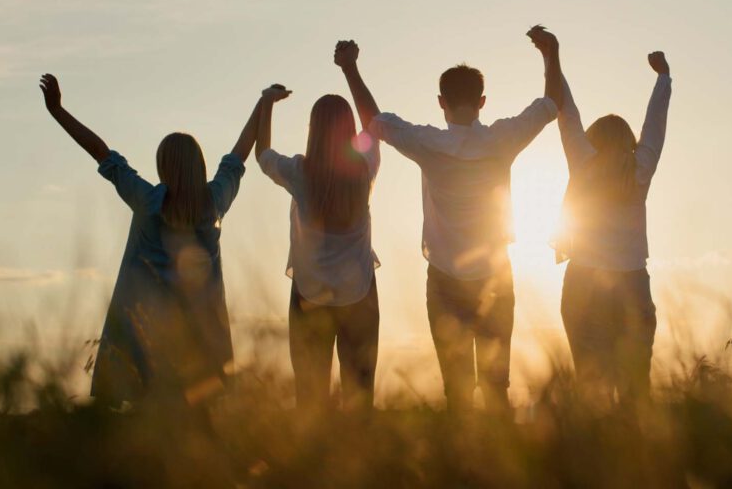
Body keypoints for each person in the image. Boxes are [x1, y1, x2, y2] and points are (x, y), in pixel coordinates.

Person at [40, 73, 288, 407]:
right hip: (200, 344)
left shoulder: (146, 201)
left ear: (163, 167)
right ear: (198, 166)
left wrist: (57, 110)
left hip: (143, 341)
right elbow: (240, 152)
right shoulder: (213, 203)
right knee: (195, 435)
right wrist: (265, 101)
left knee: (147, 430)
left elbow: (100, 152)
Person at [367, 46, 559, 413]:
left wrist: (350, 68)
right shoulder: (503, 139)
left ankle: (460, 468)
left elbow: (374, 120)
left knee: (456, 394)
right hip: (495, 281)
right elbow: (552, 103)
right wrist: (550, 54)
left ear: (441, 101)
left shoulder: (429, 144)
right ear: (482, 101)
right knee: (496, 389)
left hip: (444, 281)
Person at [527, 26, 673, 409]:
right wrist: (663, 78)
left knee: (590, 389)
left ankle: (593, 461)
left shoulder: (583, 163)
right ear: (629, 143)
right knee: (635, 390)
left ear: (593, 139)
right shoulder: (639, 172)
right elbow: (654, 128)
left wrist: (551, 56)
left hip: (584, 285)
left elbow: (566, 111)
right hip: (632, 285)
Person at [255, 41, 382, 411]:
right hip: (360, 293)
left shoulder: (299, 172)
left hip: (309, 296)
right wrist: (350, 69)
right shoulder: (365, 169)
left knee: (310, 400)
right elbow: (376, 124)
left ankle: (313, 467)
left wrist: (266, 103)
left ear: (312, 129)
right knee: (360, 398)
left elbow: (262, 154)